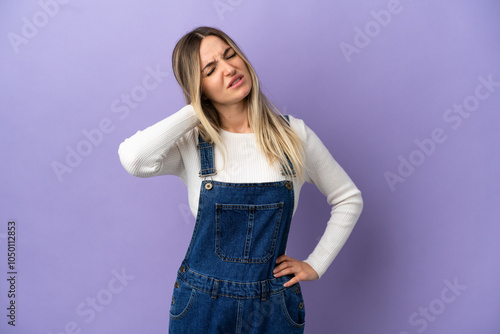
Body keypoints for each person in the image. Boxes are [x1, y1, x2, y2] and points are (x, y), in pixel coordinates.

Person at [118, 26, 363, 334]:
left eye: (230, 55)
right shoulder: (192, 143)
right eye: (210, 69)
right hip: (202, 305)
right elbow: (134, 158)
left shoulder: (293, 136)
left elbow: (348, 198)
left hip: (272, 307)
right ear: (198, 87)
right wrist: (198, 110)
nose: (229, 68)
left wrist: (316, 263)